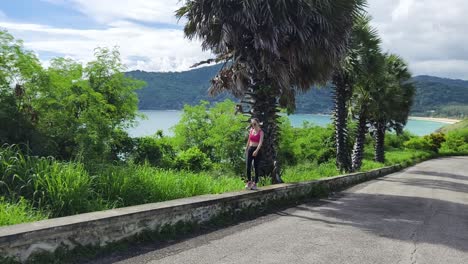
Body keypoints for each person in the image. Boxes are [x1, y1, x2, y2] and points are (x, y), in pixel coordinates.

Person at [245, 118, 264, 190]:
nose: (253, 125)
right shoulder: (251, 130)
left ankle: (255, 183)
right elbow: (249, 140)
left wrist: (256, 151)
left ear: (258, 123)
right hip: (250, 149)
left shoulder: (261, 132)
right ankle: (249, 182)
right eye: (252, 124)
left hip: (257, 150)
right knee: (248, 166)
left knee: (256, 167)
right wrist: (246, 148)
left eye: (255, 124)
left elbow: (260, 143)